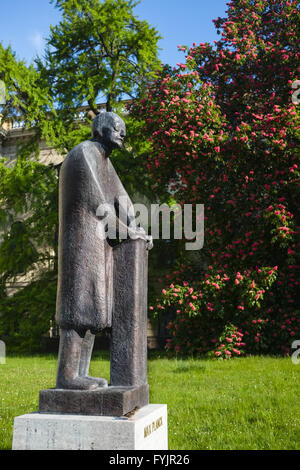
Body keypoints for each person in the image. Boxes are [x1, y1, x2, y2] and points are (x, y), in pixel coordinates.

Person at [55, 111, 152, 390]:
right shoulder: (83, 154)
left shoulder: (106, 163)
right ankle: (67, 377)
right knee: (77, 310)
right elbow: (98, 203)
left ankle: (78, 375)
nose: (123, 133)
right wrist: (128, 231)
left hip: (99, 247)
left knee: (92, 312)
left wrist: (135, 228)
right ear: (101, 129)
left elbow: (122, 200)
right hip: (82, 245)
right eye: (117, 128)